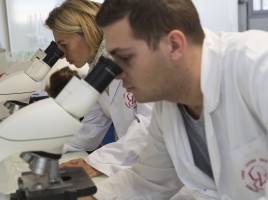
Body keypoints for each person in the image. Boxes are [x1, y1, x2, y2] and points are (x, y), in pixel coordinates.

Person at [76, 0, 268, 199]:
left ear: (174, 45)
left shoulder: (257, 66)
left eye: (125, 57)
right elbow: (148, 180)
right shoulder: (168, 106)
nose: (116, 74)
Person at [45, 0, 153, 178]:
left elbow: (149, 128)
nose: (62, 54)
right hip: (137, 171)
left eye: (64, 45)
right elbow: (90, 128)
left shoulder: (136, 60)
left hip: (175, 179)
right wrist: (45, 145)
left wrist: (96, 162)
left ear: (87, 32)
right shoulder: (96, 72)